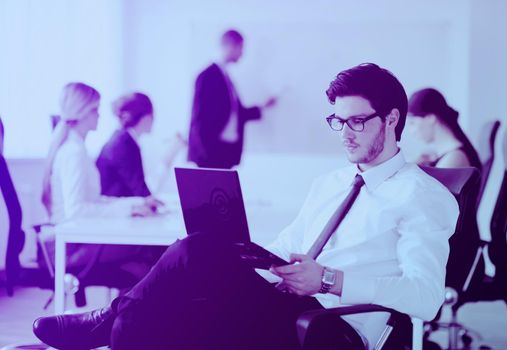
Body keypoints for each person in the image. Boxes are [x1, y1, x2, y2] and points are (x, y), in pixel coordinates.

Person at [33, 64, 459, 350]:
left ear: (391, 119)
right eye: (337, 121)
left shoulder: (423, 196)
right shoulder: (329, 183)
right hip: (282, 303)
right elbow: (287, 243)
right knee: (154, 314)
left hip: (332, 326)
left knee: (195, 248)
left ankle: (99, 323)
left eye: (357, 121)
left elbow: (426, 298)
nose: (344, 133)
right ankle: (113, 323)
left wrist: (327, 280)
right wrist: (251, 257)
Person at [40, 82, 157, 273]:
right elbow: (76, 211)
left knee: (145, 254)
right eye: (95, 110)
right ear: (82, 112)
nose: (99, 115)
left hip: (76, 239)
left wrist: (134, 204)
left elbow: (94, 201)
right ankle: (131, 302)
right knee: (147, 249)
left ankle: (130, 301)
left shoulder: (78, 148)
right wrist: (129, 208)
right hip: (70, 247)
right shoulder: (73, 153)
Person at [187, 29, 276, 169]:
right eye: (241, 48)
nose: (242, 53)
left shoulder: (226, 77)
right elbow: (198, 118)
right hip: (211, 155)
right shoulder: (207, 76)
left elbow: (236, 114)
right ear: (230, 46)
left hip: (225, 154)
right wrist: (204, 155)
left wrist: (263, 107)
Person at [96, 92, 157, 198]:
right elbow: (140, 190)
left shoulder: (122, 138)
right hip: (115, 207)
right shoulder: (125, 145)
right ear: (146, 117)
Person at [406, 88, 481, 169]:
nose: (411, 131)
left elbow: (428, 182)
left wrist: (411, 167)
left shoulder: (455, 157)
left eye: (412, 123)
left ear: (430, 118)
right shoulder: (450, 154)